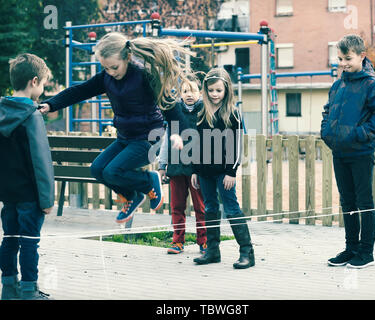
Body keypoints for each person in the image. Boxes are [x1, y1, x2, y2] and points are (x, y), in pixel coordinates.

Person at [38, 32, 191, 224]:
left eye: (114, 67)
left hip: (149, 138)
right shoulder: (105, 78)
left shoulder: (145, 75)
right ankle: (132, 196)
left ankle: (149, 180)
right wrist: (51, 104)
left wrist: (177, 134)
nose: (111, 72)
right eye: (106, 68)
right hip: (125, 138)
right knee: (97, 169)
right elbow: (80, 91)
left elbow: (170, 105)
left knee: (112, 171)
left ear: (127, 57)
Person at [321, 34, 375, 269]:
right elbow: (327, 110)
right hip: (339, 153)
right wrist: (326, 132)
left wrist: (358, 135)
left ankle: (366, 252)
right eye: (340, 58)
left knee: (364, 202)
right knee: (347, 202)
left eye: (348, 58)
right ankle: (351, 249)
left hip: (360, 153)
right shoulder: (338, 84)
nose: (343, 63)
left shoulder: (372, 85)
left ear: (361, 56)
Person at [0, 53, 54, 299]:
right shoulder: (32, 116)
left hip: (8, 194)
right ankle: (29, 290)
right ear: (34, 81)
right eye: (42, 84)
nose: (42, 89)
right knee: (30, 242)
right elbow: (41, 162)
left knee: (9, 239)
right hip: (30, 196)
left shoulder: (2, 113)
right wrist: (46, 200)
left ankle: (8, 288)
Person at [191, 68, 255, 269]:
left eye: (218, 90)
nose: (214, 94)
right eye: (210, 90)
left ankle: (247, 252)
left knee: (231, 208)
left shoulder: (233, 114)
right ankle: (212, 251)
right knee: (209, 207)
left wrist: (231, 171)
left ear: (226, 90)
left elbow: (236, 146)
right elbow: (196, 143)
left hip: (223, 171)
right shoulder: (201, 112)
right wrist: (195, 170)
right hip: (204, 172)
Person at [158, 74, 207, 254]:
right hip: (177, 167)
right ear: (180, 93)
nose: (189, 94)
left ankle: (204, 240)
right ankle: (178, 241)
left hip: (197, 168)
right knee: (177, 206)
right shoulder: (175, 112)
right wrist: (162, 165)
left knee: (200, 206)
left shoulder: (203, 111)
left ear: (199, 93)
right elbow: (166, 140)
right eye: (185, 91)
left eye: (192, 90)